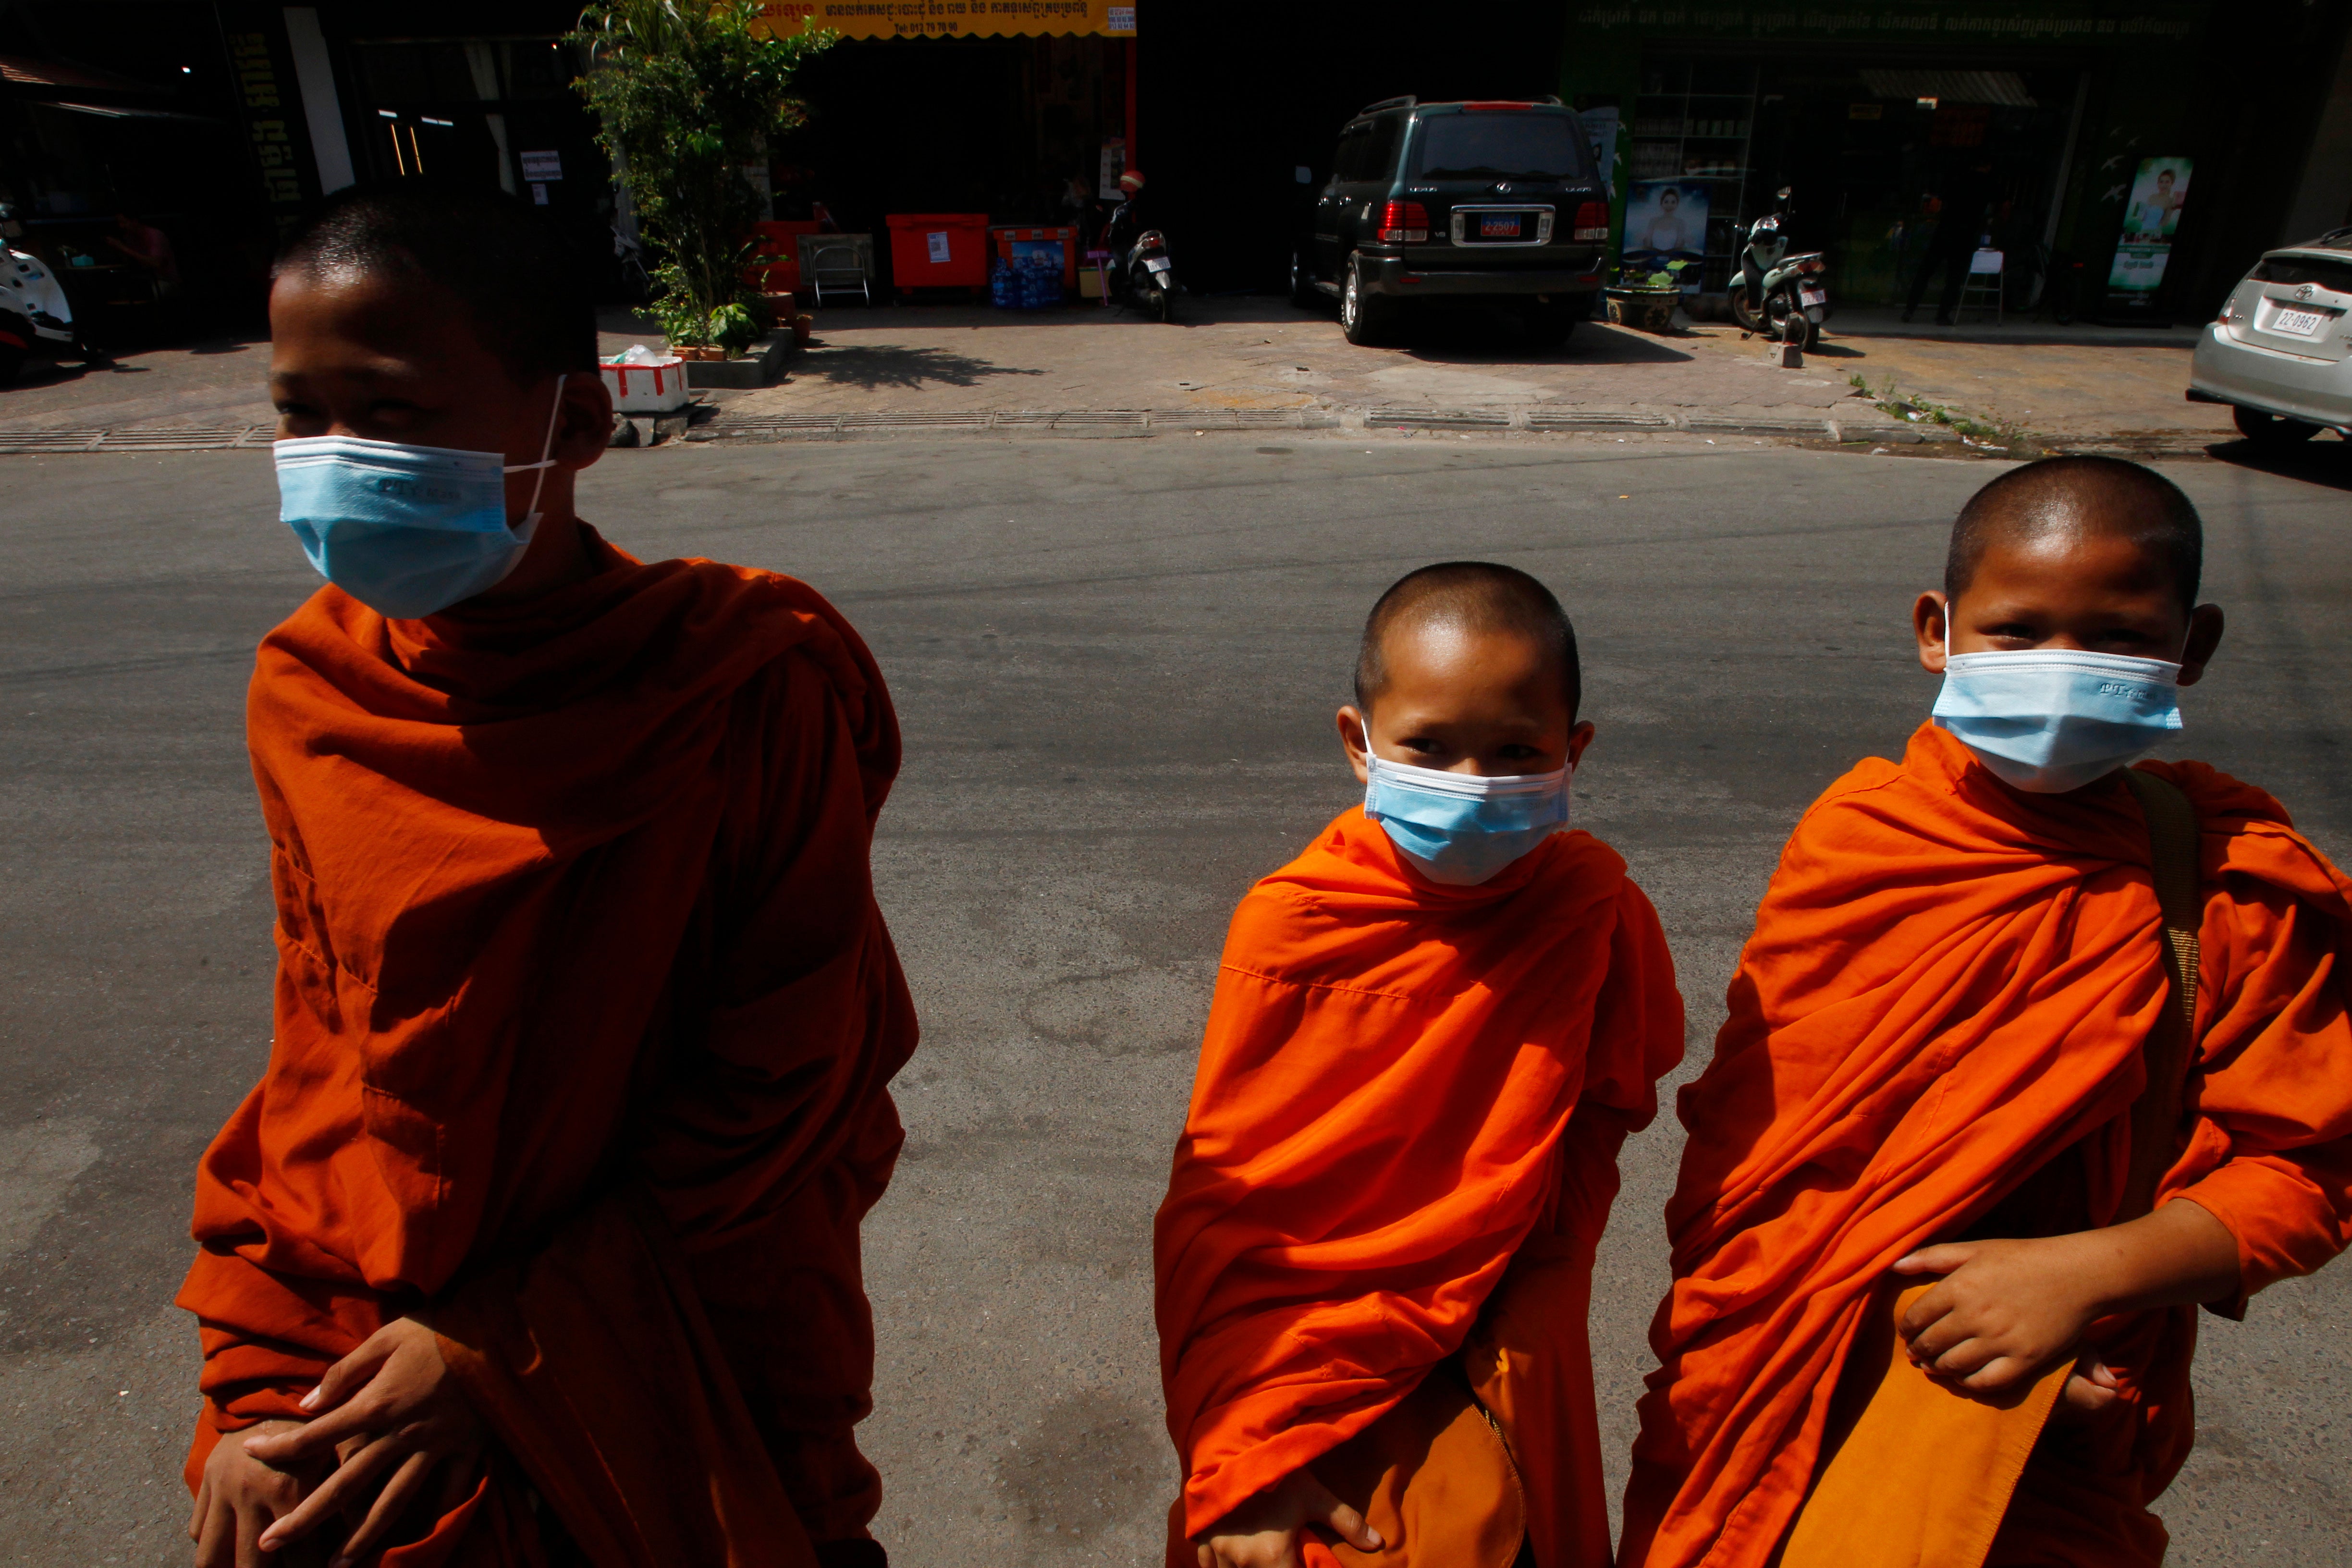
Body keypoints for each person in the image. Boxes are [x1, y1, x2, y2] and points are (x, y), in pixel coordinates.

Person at [176, 182, 917, 1568]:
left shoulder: (737, 688)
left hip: (671, 1314)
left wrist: (497, 1347)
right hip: (369, 1305)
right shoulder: (310, 688)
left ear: (573, 424)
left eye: (390, 414)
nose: (331, 460)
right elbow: (325, 1062)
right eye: (297, 415)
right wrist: (259, 1386)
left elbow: (787, 1075)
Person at [1621, 457, 2352, 1568]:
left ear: (2190, 647)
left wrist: (2084, 1279)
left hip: (2056, 1450)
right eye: (2015, 631)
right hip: (1781, 1397)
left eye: (2115, 637)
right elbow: (1752, 1186)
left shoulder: (2221, 881)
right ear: (1937, 628)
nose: (2061, 671)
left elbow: (2307, 1168)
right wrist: (1929, 1345)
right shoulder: (1862, 840)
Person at [1158, 563, 1685, 1568]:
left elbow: (1609, 1110)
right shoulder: (1297, 924)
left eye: (1516, 752)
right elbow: (1227, 1212)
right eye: (1430, 749)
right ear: (1361, 743)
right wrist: (1238, 1445)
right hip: (1295, 1381)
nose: (1474, 784)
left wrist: (1533, 1261)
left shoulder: (1596, 910)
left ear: (1574, 752)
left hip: (1516, 1345)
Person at [1903, 156, 1996, 325]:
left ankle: (1910, 309)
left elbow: (1939, 201)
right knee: (1954, 278)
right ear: (1988, 166)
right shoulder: (1989, 184)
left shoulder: (1959, 179)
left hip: (1945, 231)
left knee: (1925, 272)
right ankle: (1943, 315)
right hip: (1965, 236)